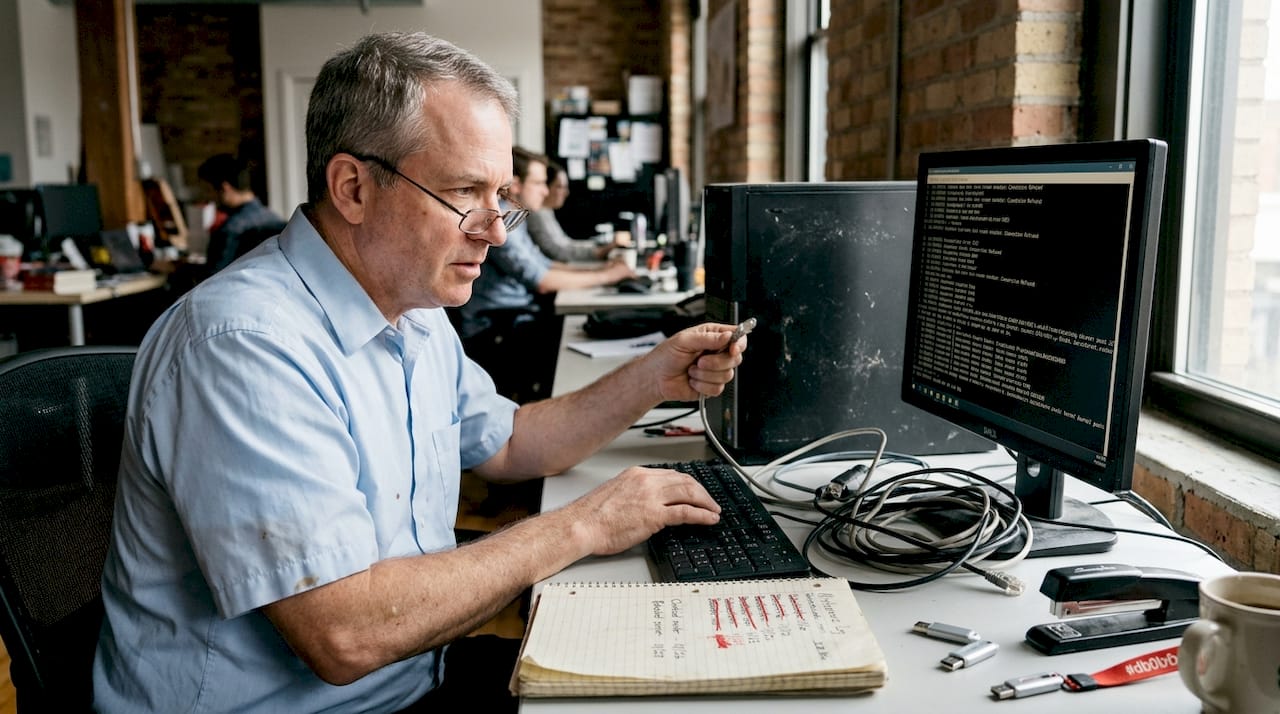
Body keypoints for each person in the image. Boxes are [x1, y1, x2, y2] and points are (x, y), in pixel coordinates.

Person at [92, 31, 747, 713]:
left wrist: (653, 378)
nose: (496, 230)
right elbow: (344, 634)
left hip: (410, 677)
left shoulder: (413, 306)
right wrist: (582, 525)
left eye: (500, 195)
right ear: (352, 188)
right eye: (466, 191)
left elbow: (511, 440)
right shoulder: (243, 345)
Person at [455, 147, 636, 401]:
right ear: (516, 185)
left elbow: (544, 265)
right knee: (580, 339)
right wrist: (609, 276)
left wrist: (602, 271)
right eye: (539, 183)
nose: (546, 190)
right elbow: (543, 281)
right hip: (493, 328)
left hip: (515, 316)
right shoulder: (499, 220)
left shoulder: (515, 215)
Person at [196, 153, 288, 274]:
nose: (208, 197)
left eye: (209, 191)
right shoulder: (273, 217)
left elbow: (209, 278)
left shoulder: (230, 229)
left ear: (225, 188)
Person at [525, 160, 618, 262]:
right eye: (560, 187)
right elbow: (557, 252)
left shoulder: (546, 211)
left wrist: (597, 246)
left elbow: (565, 243)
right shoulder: (536, 213)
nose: (566, 193)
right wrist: (600, 252)